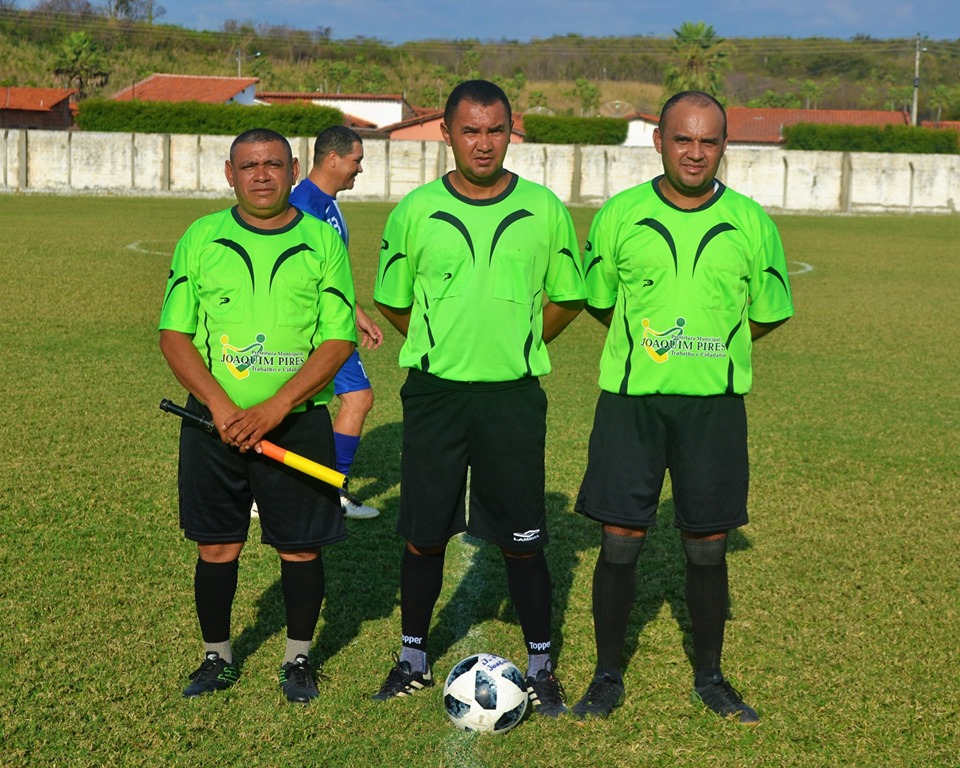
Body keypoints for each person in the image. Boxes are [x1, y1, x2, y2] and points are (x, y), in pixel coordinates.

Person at [571, 91, 794, 724]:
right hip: (632, 404)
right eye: (682, 139)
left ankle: (712, 677)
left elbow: (767, 313)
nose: (695, 153)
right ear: (659, 141)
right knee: (620, 538)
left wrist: (711, 352)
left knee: (707, 544)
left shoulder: (752, 222)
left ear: (724, 146)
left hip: (713, 408)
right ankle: (607, 676)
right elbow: (599, 298)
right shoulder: (620, 214)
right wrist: (654, 351)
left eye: (709, 141)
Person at [370, 80, 586, 717]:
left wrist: (515, 348)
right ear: (447, 133)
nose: (483, 143)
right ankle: (412, 655)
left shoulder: (545, 209)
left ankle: (541, 663)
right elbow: (392, 297)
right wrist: (444, 350)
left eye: (495, 130)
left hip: (512, 396)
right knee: (424, 533)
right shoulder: (415, 210)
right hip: (435, 394)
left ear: (510, 132)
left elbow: (567, 296)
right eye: (470, 130)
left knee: (523, 540)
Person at [158, 128, 358, 704]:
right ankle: (217, 657)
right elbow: (175, 335)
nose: (262, 175)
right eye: (249, 166)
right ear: (229, 173)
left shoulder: (323, 242)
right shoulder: (200, 237)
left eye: (273, 164)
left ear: (294, 169)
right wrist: (222, 408)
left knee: (300, 547)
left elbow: (337, 340)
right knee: (216, 546)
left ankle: (298, 660)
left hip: (296, 422)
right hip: (213, 425)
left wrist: (276, 406)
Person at [288, 125, 383, 520]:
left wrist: (356, 313)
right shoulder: (303, 203)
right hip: (317, 328)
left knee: (341, 401)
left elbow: (332, 274)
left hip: (334, 322)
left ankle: (324, 491)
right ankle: (327, 493)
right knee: (350, 400)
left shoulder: (326, 201)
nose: (359, 169)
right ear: (332, 159)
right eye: (356, 160)